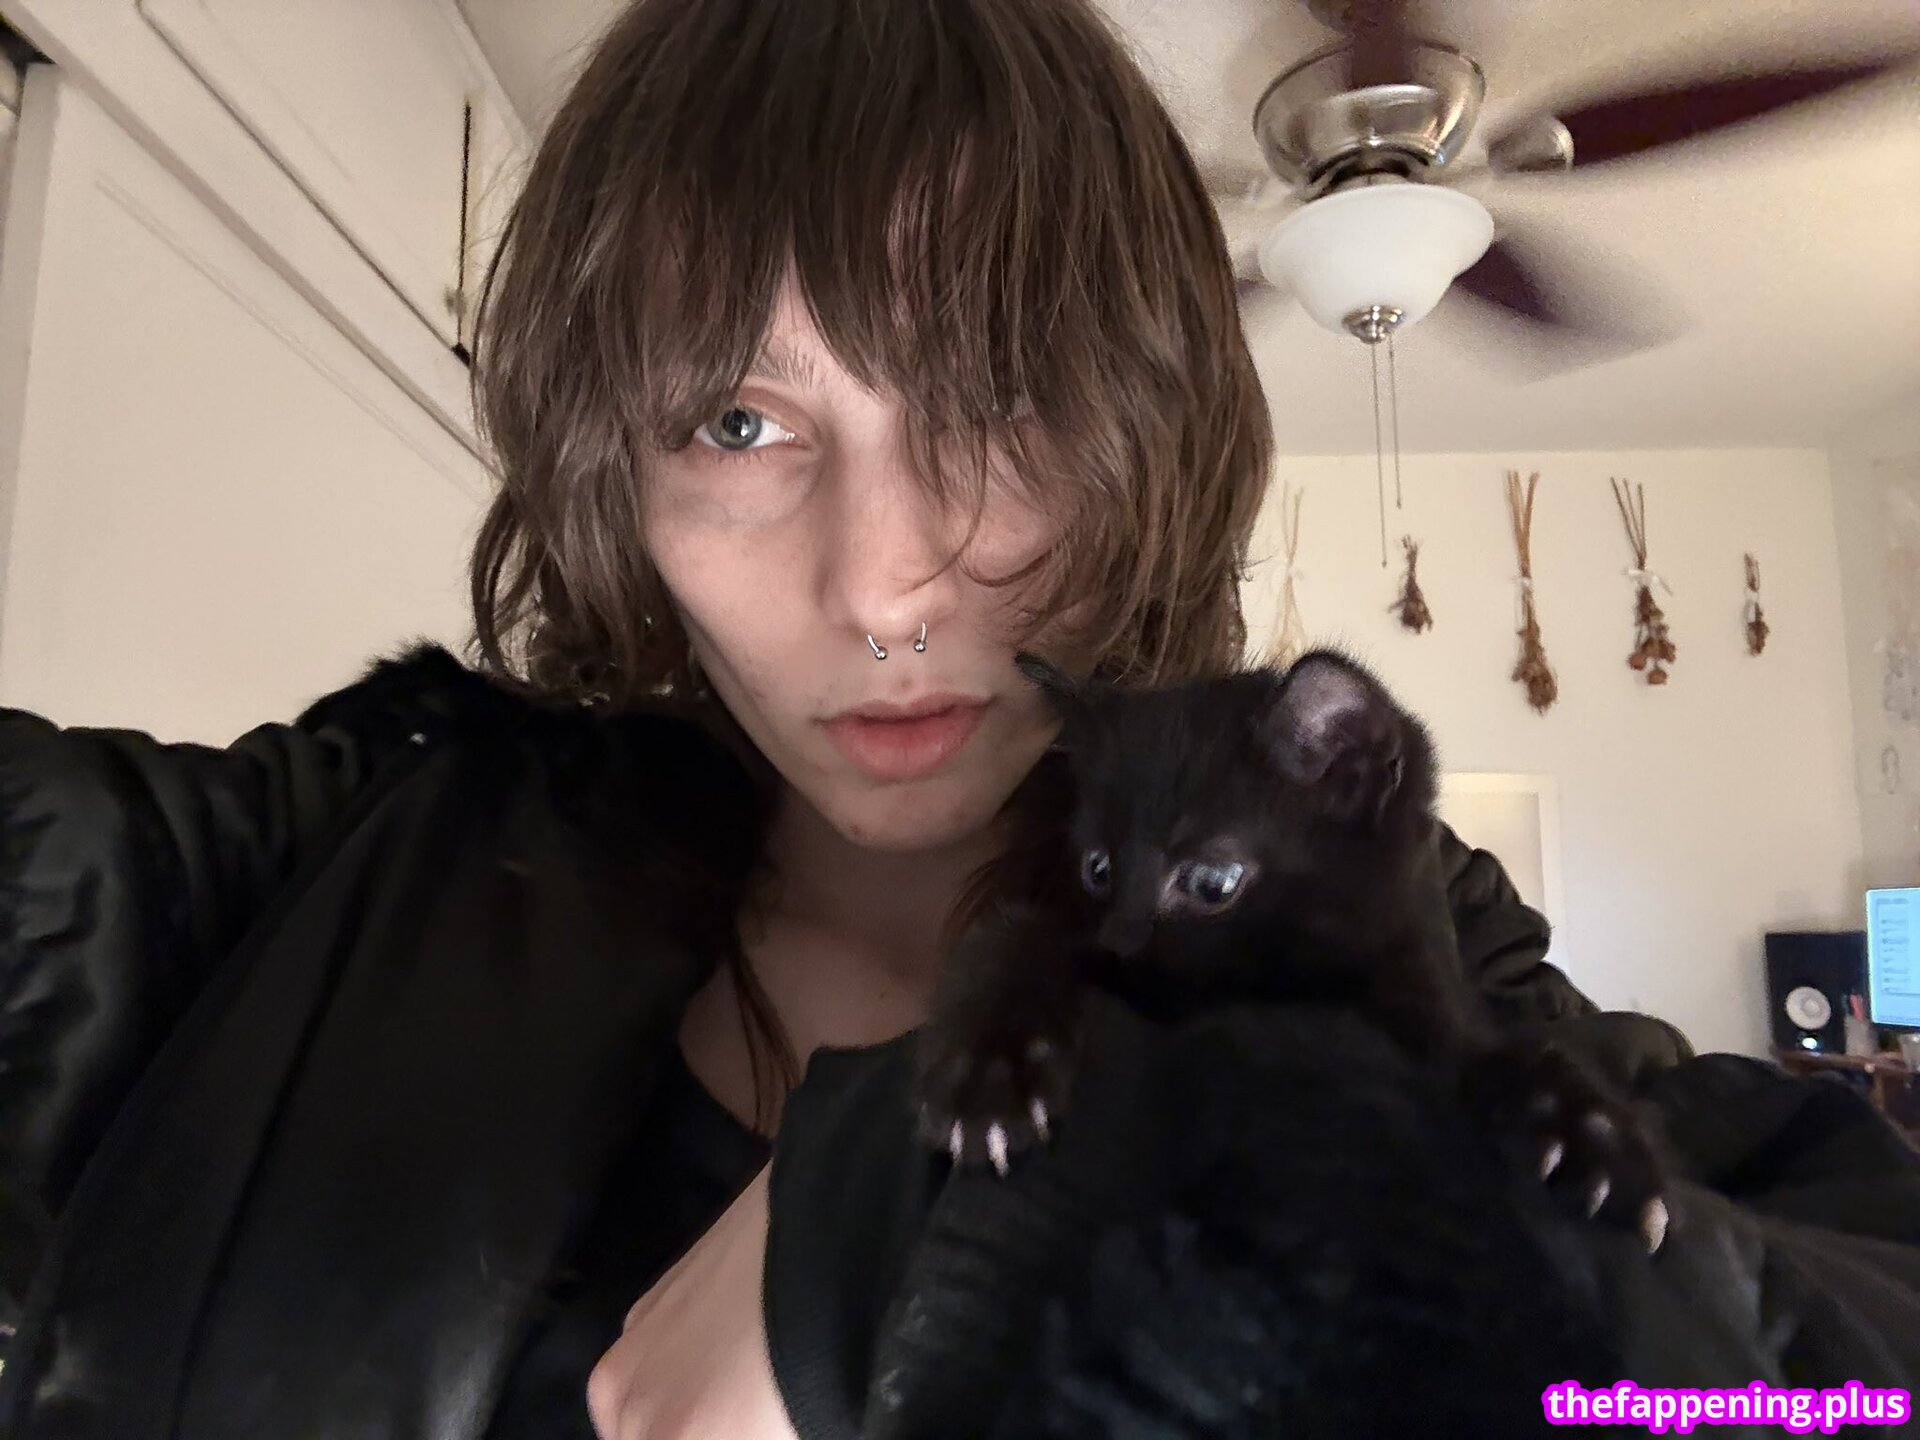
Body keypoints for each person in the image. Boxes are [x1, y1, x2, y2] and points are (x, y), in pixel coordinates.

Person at [0, 1, 1916, 1437]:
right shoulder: (325, 884)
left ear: (1146, 432)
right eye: (738, 422)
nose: (886, 583)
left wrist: (954, 1219)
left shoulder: (1391, 948)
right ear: (620, 480)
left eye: (997, 401)